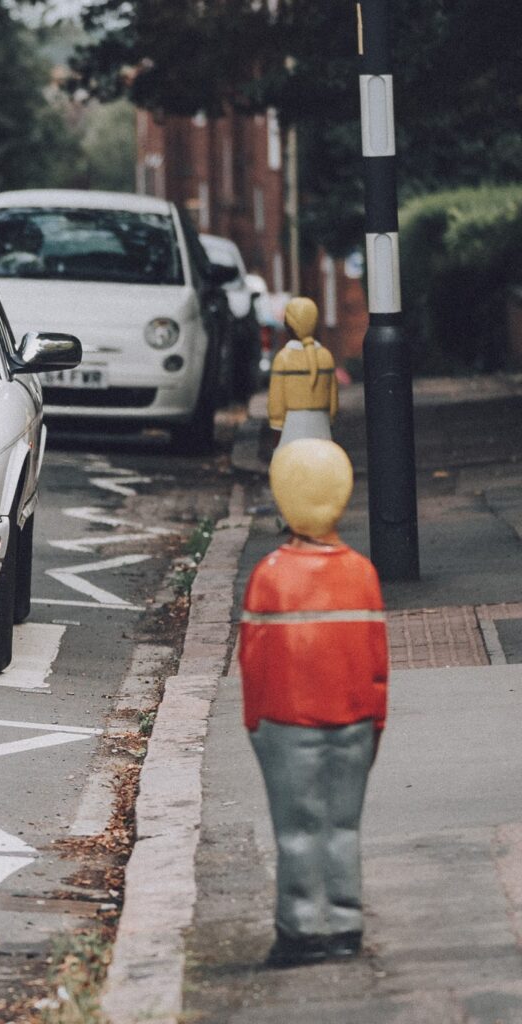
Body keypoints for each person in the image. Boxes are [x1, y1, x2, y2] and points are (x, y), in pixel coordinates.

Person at [238, 438, 388, 967]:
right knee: (343, 827)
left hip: (287, 725)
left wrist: (255, 724)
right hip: (354, 722)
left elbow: (253, 664)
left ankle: (300, 932)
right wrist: (375, 724)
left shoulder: (270, 577)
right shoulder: (363, 574)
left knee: (296, 832)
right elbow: (377, 665)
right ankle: (346, 926)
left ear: (284, 496)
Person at [267, 297, 338, 447]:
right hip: (321, 425)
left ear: (289, 324)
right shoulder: (326, 356)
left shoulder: (283, 359)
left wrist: (276, 430)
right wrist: (330, 421)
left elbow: (276, 404)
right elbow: (333, 401)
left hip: (291, 428)